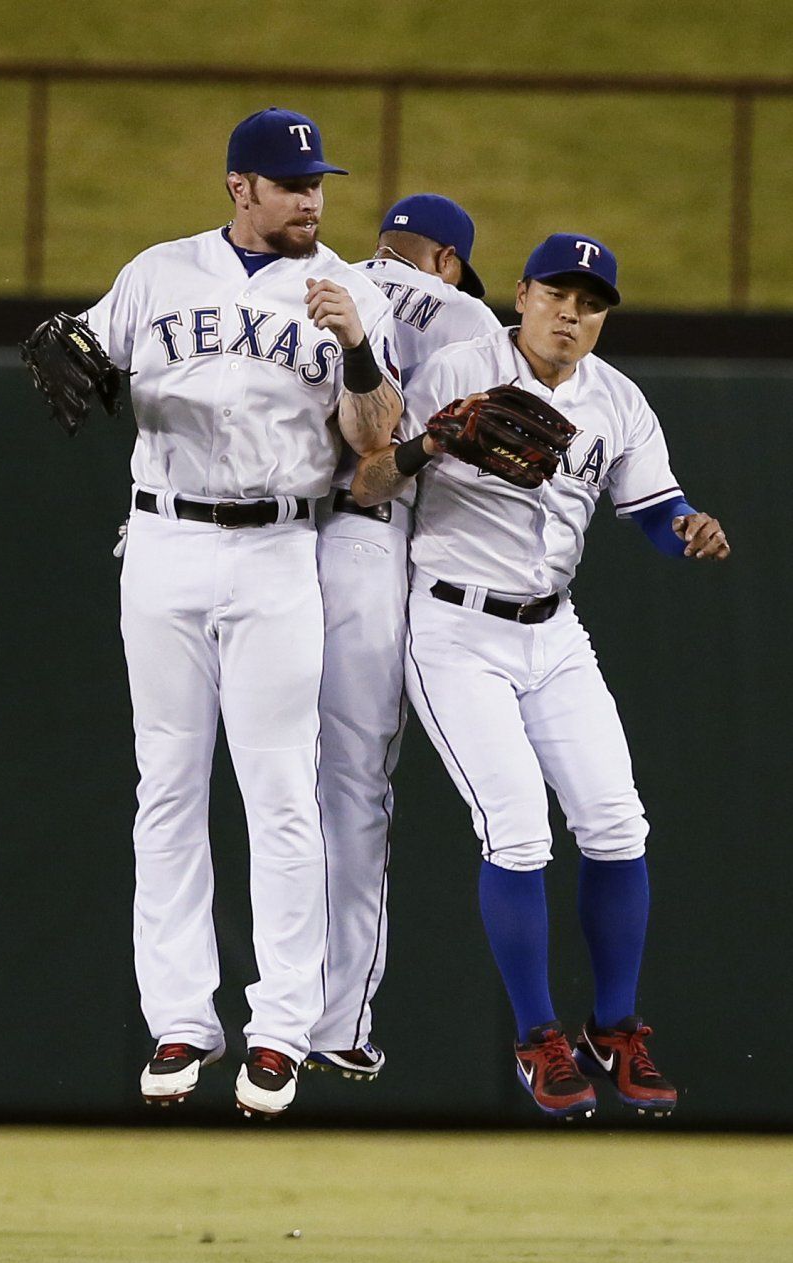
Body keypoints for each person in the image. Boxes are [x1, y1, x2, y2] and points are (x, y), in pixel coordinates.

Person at [27, 107, 403, 1119]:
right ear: (241, 186)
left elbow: (376, 442)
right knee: (168, 785)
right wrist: (66, 347)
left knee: (281, 791)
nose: (312, 200)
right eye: (292, 184)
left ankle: (280, 1028)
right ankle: (182, 1018)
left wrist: (359, 346)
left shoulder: (347, 289)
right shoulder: (158, 272)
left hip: (282, 547)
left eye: (319, 183)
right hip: (163, 544)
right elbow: (81, 355)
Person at [351, 232, 730, 1119]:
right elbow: (367, 481)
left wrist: (684, 527)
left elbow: (652, 505)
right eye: (557, 293)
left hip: (553, 630)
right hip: (451, 627)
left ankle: (616, 1028)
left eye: (590, 302)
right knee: (518, 831)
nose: (571, 312)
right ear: (520, 294)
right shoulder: (454, 369)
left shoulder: (617, 401)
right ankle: (537, 1040)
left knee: (615, 821)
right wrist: (428, 445)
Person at [305, 196, 501, 1082]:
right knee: (351, 787)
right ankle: (336, 1019)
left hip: (264, 536)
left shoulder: (321, 284)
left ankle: (237, 1011)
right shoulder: (465, 316)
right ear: (447, 260)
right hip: (365, 544)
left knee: (244, 787)